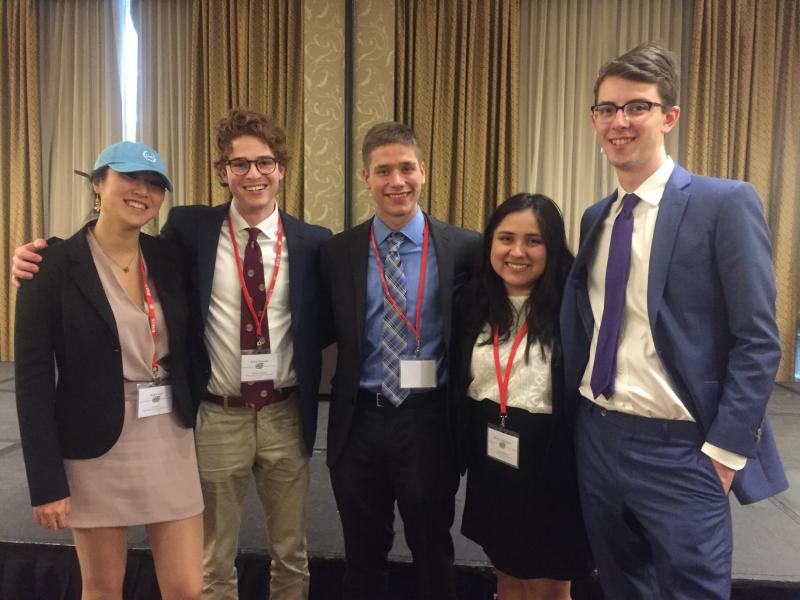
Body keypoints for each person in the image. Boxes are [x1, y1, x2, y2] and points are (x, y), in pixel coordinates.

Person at [13, 109, 331, 600]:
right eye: (239, 163)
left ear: (282, 168)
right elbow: (36, 377)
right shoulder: (188, 233)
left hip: (274, 415)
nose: (253, 174)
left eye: (265, 162)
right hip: (205, 414)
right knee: (208, 562)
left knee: (288, 552)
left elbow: (329, 321)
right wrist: (35, 254)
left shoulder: (313, 242)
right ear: (222, 172)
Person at [560, 41, 788, 599]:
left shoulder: (724, 204)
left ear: (669, 116)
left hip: (683, 448)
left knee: (693, 591)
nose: (619, 121)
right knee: (621, 585)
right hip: (598, 431)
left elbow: (758, 341)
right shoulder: (598, 216)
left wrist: (726, 454)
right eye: (606, 109)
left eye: (636, 106)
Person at [14, 141, 203, 600]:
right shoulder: (49, 266)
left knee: (186, 588)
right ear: (98, 183)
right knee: (101, 588)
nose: (143, 191)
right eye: (130, 178)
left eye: (155, 184)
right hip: (93, 442)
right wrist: (45, 483)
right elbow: (33, 381)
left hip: (168, 433)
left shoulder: (171, 260)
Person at [320, 121, 481, 600]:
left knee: (433, 548)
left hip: (429, 421)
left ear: (424, 172)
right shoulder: (337, 252)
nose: (397, 181)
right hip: (358, 422)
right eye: (383, 170)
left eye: (406, 168)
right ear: (364, 177)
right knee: (362, 553)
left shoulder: (466, 249)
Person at [454, 194, 590, 600]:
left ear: (553, 246)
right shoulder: (472, 302)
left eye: (534, 241)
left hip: (555, 460)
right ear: (489, 244)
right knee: (508, 578)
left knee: (550, 587)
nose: (517, 252)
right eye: (505, 238)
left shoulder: (577, 306)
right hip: (494, 457)